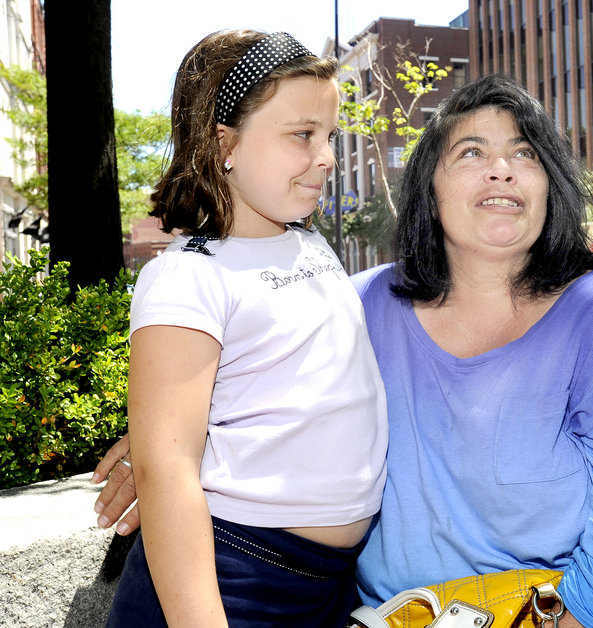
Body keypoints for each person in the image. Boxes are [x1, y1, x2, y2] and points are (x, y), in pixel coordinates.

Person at [94, 73, 593, 627]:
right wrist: (158, 446)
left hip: (581, 615)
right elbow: (255, 376)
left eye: (523, 154)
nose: (501, 168)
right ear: (430, 190)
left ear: (549, 184)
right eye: (471, 152)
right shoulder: (358, 305)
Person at [101, 29, 388, 628]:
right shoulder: (188, 276)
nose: (328, 155)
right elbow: (168, 467)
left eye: (329, 136)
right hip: (232, 581)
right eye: (302, 135)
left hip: (329, 584)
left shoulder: (312, 247)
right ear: (222, 142)